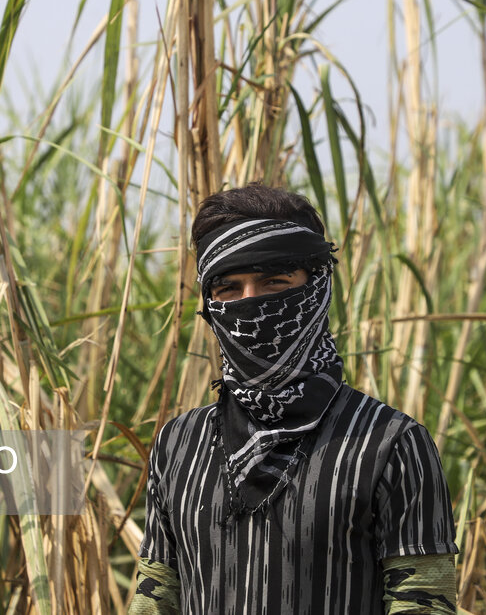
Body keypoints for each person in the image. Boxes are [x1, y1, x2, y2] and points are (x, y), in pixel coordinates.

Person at [128, 185, 459, 614]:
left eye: (274, 282)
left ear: (316, 289)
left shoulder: (390, 442)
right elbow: (155, 598)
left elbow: (423, 604)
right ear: (209, 304)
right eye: (229, 288)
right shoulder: (178, 444)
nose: (250, 304)